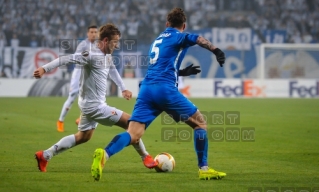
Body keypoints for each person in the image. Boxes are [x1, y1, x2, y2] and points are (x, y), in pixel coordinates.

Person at [91, 8, 226, 181]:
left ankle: (105, 154)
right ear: (183, 26)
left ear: (166, 24)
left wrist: (182, 72)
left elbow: (163, 65)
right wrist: (216, 51)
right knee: (200, 124)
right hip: (165, 90)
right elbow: (198, 39)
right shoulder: (180, 36)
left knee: (133, 134)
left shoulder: (158, 40)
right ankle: (204, 168)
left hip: (147, 89)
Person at [33, 23, 158, 172]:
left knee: (83, 137)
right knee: (132, 124)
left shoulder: (107, 56)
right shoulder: (91, 55)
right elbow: (66, 59)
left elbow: (112, 70)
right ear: (105, 41)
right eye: (115, 42)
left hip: (89, 105)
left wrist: (123, 88)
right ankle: (145, 156)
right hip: (95, 106)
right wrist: (44, 69)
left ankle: (45, 155)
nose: (117, 45)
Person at [57, 25, 98, 132]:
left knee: (92, 97)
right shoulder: (83, 44)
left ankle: (81, 119)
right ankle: (60, 121)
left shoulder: (98, 45)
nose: (94, 34)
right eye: (92, 32)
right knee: (71, 97)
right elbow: (75, 57)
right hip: (79, 72)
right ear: (87, 34)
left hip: (90, 73)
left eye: (95, 32)